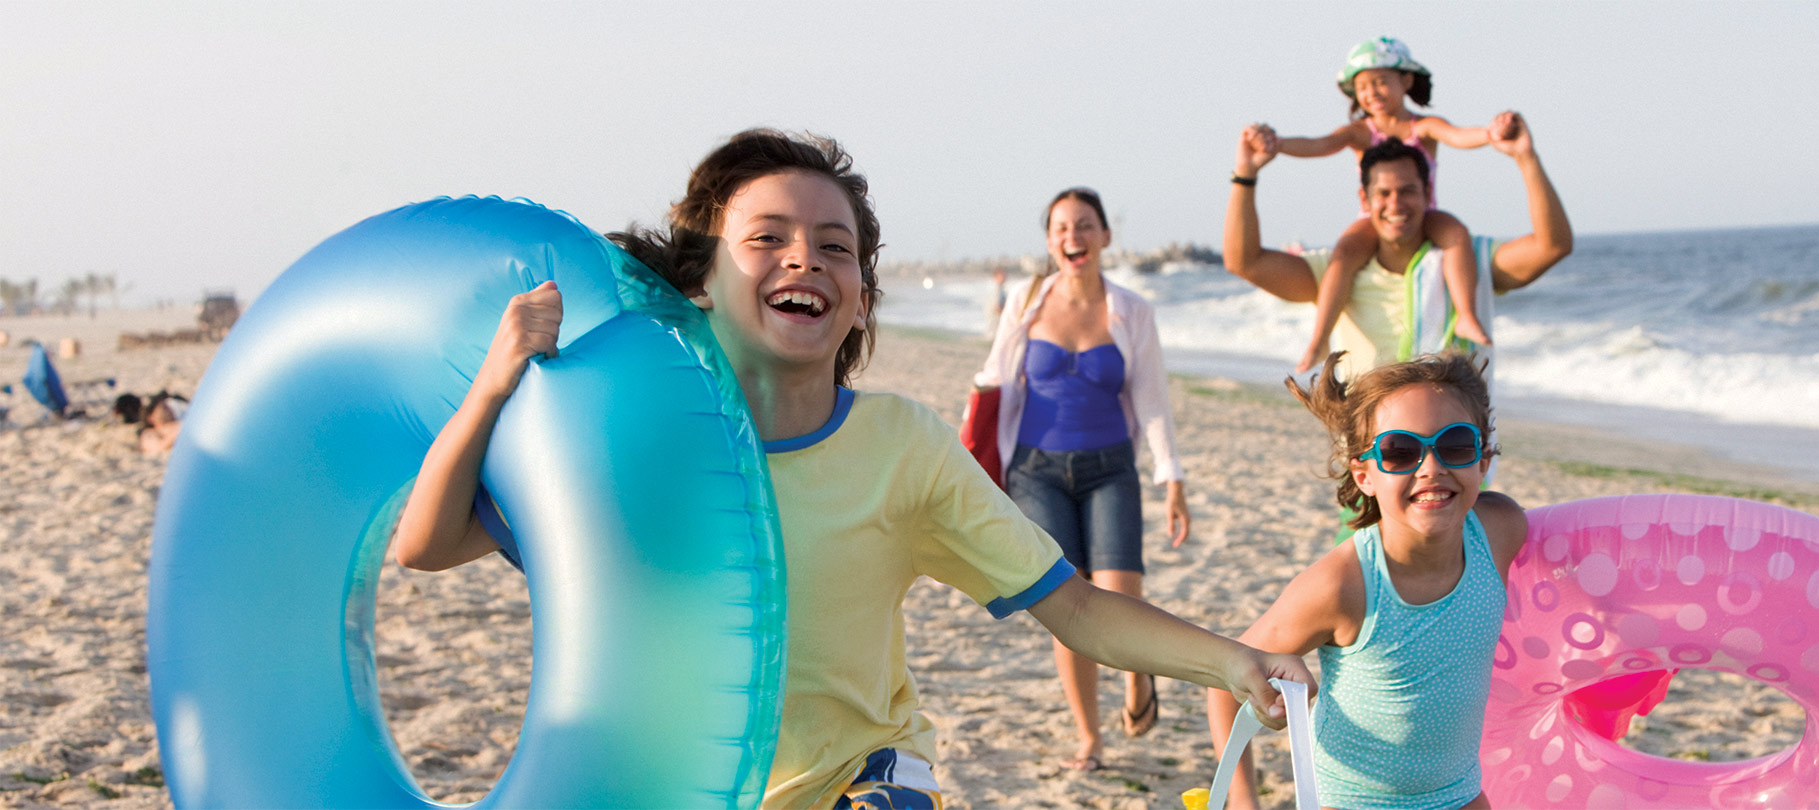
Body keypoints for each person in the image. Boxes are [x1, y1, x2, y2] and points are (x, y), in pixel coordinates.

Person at [390, 130, 1315, 809]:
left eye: (837, 247)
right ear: (702, 277)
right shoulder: (639, 445)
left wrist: (1227, 661)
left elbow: (1071, 607)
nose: (806, 258)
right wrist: (492, 388)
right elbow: (426, 546)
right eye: (768, 238)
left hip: (862, 780)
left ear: (861, 299)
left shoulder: (903, 448)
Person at [1206, 352, 1527, 810]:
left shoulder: (1501, 531)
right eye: (1401, 451)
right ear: (1364, 475)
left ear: (1483, 459)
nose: (1431, 467)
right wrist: (1243, 801)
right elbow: (1226, 680)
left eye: (1454, 445)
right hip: (1353, 801)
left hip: (1460, 796)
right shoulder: (1344, 584)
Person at [973, 187, 1189, 772]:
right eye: (1063, 228)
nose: (1075, 237)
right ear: (1050, 241)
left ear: (1105, 237)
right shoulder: (1024, 302)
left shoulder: (1132, 311)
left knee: (1121, 598)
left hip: (1110, 469)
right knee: (1068, 608)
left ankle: (1138, 668)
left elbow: (1151, 399)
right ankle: (1089, 737)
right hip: (1035, 472)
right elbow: (992, 380)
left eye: (1086, 226)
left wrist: (1172, 476)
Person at [1225, 110, 1572, 382]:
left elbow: (1552, 245)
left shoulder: (1466, 261)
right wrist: (1246, 174)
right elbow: (1245, 262)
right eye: (1384, 193)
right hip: (1372, 460)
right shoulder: (1336, 272)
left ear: (1428, 193)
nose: (1395, 204)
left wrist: (1525, 157)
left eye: (1407, 191)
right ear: (1364, 198)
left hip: (1451, 458)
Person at [1263, 37, 1503, 364]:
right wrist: (1278, 144)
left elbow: (1460, 136)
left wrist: (1490, 133)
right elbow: (1318, 144)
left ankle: (1466, 315)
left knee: (1456, 234)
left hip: (1422, 214)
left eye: (1380, 82)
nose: (1372, 93)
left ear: (1405, 80)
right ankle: (1319, 339)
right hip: (1374, 219)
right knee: (1344, 253)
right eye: (1362, 87)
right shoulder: (1360, 131)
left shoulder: (1425, 126)